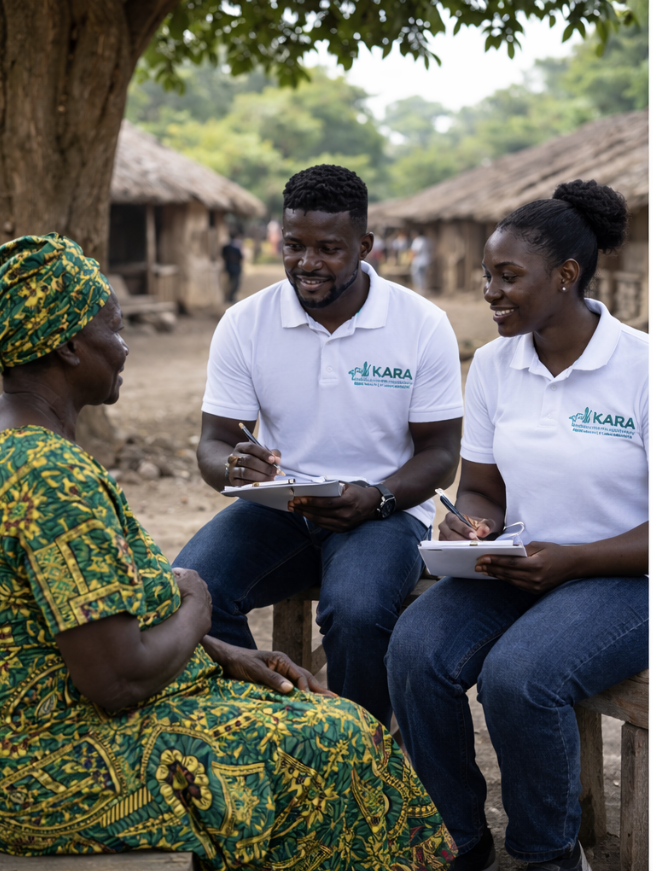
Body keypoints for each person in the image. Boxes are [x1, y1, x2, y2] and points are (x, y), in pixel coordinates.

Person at [0, 233, 457, 868]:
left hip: (39, 734)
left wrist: (221, 652)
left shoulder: (24, 453)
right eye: (116, 327)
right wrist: (196, 606)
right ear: (71, 347)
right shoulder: (50, 475)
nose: (126, 345)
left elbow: (68, 618)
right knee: (342, 738)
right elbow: (117, 678)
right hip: (55, 769)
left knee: (345, 632)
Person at [387, 180, 648, 871]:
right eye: (486, 276)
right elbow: (480, 487)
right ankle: (459, 839)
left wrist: (572, 560)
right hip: (519, 565)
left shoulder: (640, 369)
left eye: (508, 276)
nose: (490, 292)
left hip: (625, 578)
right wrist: (469, 526)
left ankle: (547, 853)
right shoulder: (498, 364)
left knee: (519, 675)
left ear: (565, 276)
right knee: (414, 648)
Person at [173, 164, 463, 729]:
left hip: (383, 513)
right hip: (281, 510)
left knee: (356, 611)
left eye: (329, 248)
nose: (307, 263)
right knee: (186, 594)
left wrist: (375, 497)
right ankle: (271, 729)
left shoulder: (421, 324)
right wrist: (234, 468)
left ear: (365, 246)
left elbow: (440, 454)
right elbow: (214, 443)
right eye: (295, 245)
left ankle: (362, 754)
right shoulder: (245, 322)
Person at [221, 231, 243, 303]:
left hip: (228, 266)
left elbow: (223, 256)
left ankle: (228, 297)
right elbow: (241, 257)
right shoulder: (237, 247)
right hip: (235, 267)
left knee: (229, 282)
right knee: (235, 283)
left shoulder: (226, 246)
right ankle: (231, 297)